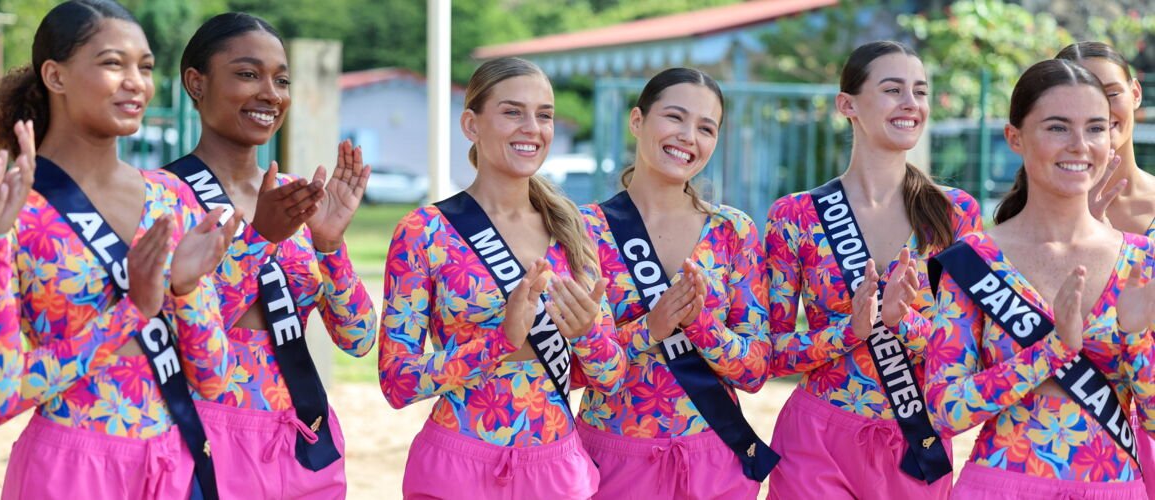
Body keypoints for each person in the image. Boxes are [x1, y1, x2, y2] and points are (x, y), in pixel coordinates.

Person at [0, 1, 237, 497]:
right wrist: (130, 314)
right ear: (55, 76)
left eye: (144, 67)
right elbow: (1, 395)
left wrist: (186, 288)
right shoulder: (13, 204)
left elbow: (215, 379)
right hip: (70, 469)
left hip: (173, 465)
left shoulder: (171, 197)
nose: (136, 83)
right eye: (112, 63)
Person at [378, 56, 626, 499]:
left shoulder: (574, 229)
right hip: (458, 466)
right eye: (513, 112)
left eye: (544, 115)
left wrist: (587, 333)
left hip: (557, 470)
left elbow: (610, 378)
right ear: (471, 125)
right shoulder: (425, 231)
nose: (532, 128)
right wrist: (500, 341)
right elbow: (397, 381)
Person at [165, 12, 377, 498]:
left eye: (281, 80)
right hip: (203, 439)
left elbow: (359, 338)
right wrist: (260, 237)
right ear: (196, 82)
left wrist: (330, 246)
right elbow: (176, 337)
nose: (270, 94)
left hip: (303, 437)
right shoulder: (163, 195)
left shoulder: (297, 196)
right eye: (247, 74)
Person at [925, 58, 1155, 499]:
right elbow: (943, 411)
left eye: (1095, 128)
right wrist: (1051, 351)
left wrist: (1136, 339)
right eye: (1057, 127)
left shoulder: (1143, 261)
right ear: (1015, 137)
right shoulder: (974, 260)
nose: (1079, 145)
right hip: (998, 488)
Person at [764, 40, 981, 499]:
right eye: (892, 90)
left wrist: (905, 322)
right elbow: (773, 353)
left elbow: (966, 353)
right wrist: (851, 330)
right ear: (848, 105)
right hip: (816, 440)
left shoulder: (956, 214)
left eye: (920, 91)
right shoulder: (794, 216)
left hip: (916, 445)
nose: (911, 103)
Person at [575, 67, 774, 499]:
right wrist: (652, 326)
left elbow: (756, 370)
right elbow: (575, 367)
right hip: (613, 461)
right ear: (637, 120)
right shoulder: (584, 230)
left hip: (715, 460)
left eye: (706, 128)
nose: (688, 136)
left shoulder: (732, 230)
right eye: (675, 117)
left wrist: (701, 325)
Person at [1056, 40, 1155, 499]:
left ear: (1135, 93)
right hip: (1076, 439)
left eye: (1110, 92)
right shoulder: (1032, 222)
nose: (1098, 108)